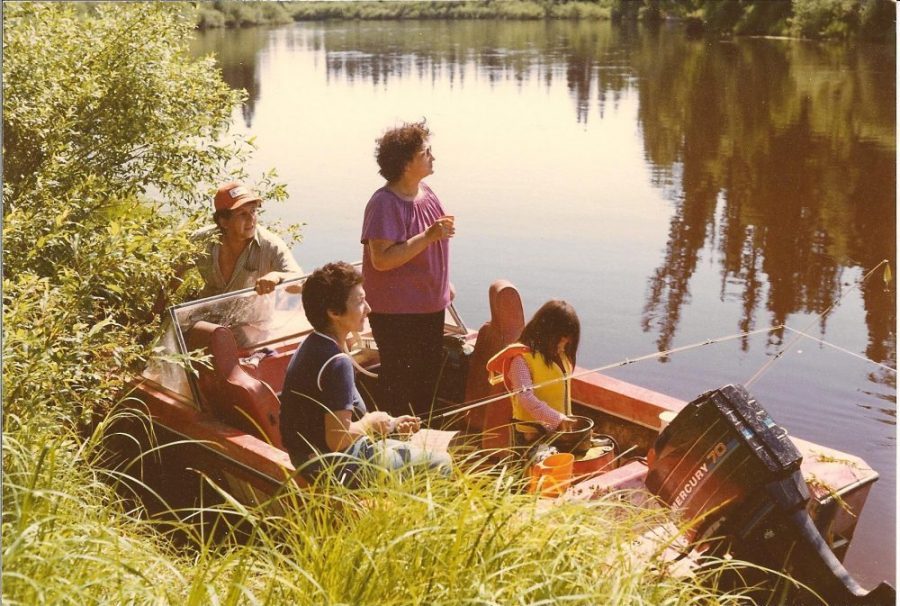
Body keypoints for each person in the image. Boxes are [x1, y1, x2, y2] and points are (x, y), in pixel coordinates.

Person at [279, 261, 451, 483]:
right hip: (333, 467)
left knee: (410, 447)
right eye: (360, 301)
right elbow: (338, 439)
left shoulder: (311, 344)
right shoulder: (336, 362)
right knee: (442, 463)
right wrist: (371, 422)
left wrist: (391, 424)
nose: (368, 308)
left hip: (308, 459)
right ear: (334, 312)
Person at [360, 120, 455, 418]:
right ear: (405, 163)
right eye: (425, 152)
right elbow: (382, 259)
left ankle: (422, 446)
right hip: (396, 312)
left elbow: (433, 250)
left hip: (429, 306)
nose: (432, 157)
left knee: (426, 381)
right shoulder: (383, 204)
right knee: (400, 385)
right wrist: (428, 236)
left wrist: (444, 285)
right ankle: (394, 448)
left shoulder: (426, 192)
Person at [486, 300, 581, 446]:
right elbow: (526, 398)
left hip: (557, 433)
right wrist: (557, 419)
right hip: (530, 437)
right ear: (546, 333)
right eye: (560, 341)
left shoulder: (562, 357)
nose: (563, 347)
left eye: (567, 342)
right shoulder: (521, 360)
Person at [192, 180, 303, 298]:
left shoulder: (271, 245)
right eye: (242, 214)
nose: (251, 219)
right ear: (224, 221)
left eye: (253, 211)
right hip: (208, 314)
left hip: (255, 317)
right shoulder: (200, 240)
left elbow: (299, 282)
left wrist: (277, 276)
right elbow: (174, 273)